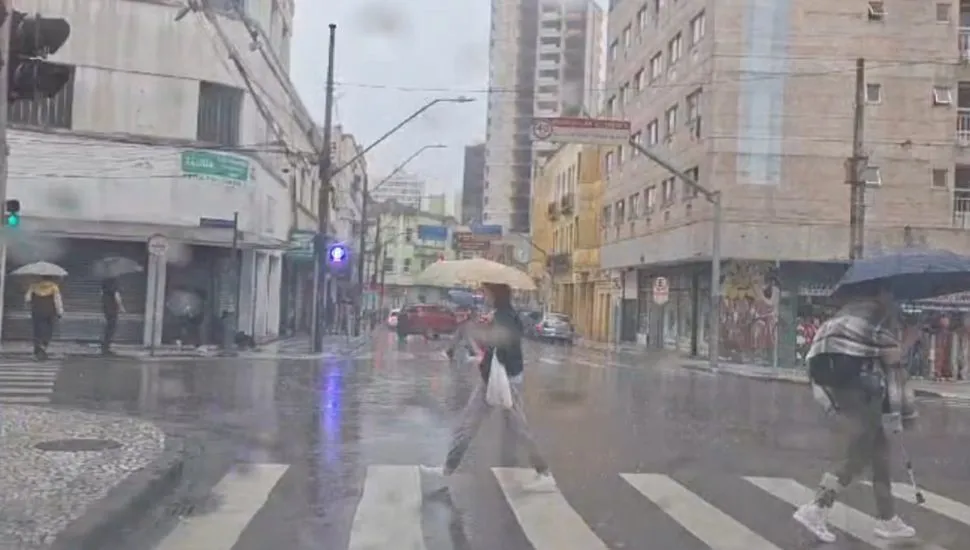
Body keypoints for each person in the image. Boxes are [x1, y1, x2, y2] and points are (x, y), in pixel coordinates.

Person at [794, 280, 917, 543]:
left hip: (845, 387)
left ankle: (887, 518)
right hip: (860, 392)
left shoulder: (848, 312)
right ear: (881, 292)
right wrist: (906, 342)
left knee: (880, 455)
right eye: (890, 292)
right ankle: (817, 508)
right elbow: (892, 362)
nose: (893, 297)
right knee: (857, 455)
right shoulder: (877, 315)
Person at [423, 282, 554, 492]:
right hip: (491, 378)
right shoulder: (500, 314)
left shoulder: (505, 316)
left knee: (518, 428)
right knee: (468, 425)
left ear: (495, 293)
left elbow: (506, 343)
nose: (483, 295)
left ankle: (544, 472)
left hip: (504, 379)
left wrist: (489, 332)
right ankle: (447, 470)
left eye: (485, 291)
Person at [25, 277, 64, 360]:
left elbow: (27, 298)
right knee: (48, 329)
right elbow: (57, 300)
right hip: (50, 312)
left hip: (37, 311)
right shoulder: (54, 287)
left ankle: (37, 349)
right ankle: (44, 345)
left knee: (37, 330)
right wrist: (60, 312)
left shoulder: (34, 286)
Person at [100, 277, 125, 355]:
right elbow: (116, 296)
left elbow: (101, 294)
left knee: (109, 327)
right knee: (112, 327)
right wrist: (121, 307)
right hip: (112, 309)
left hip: (106, 309)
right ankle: (106, 346)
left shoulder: (104, 284)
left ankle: (105, 345)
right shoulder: (114, 283)